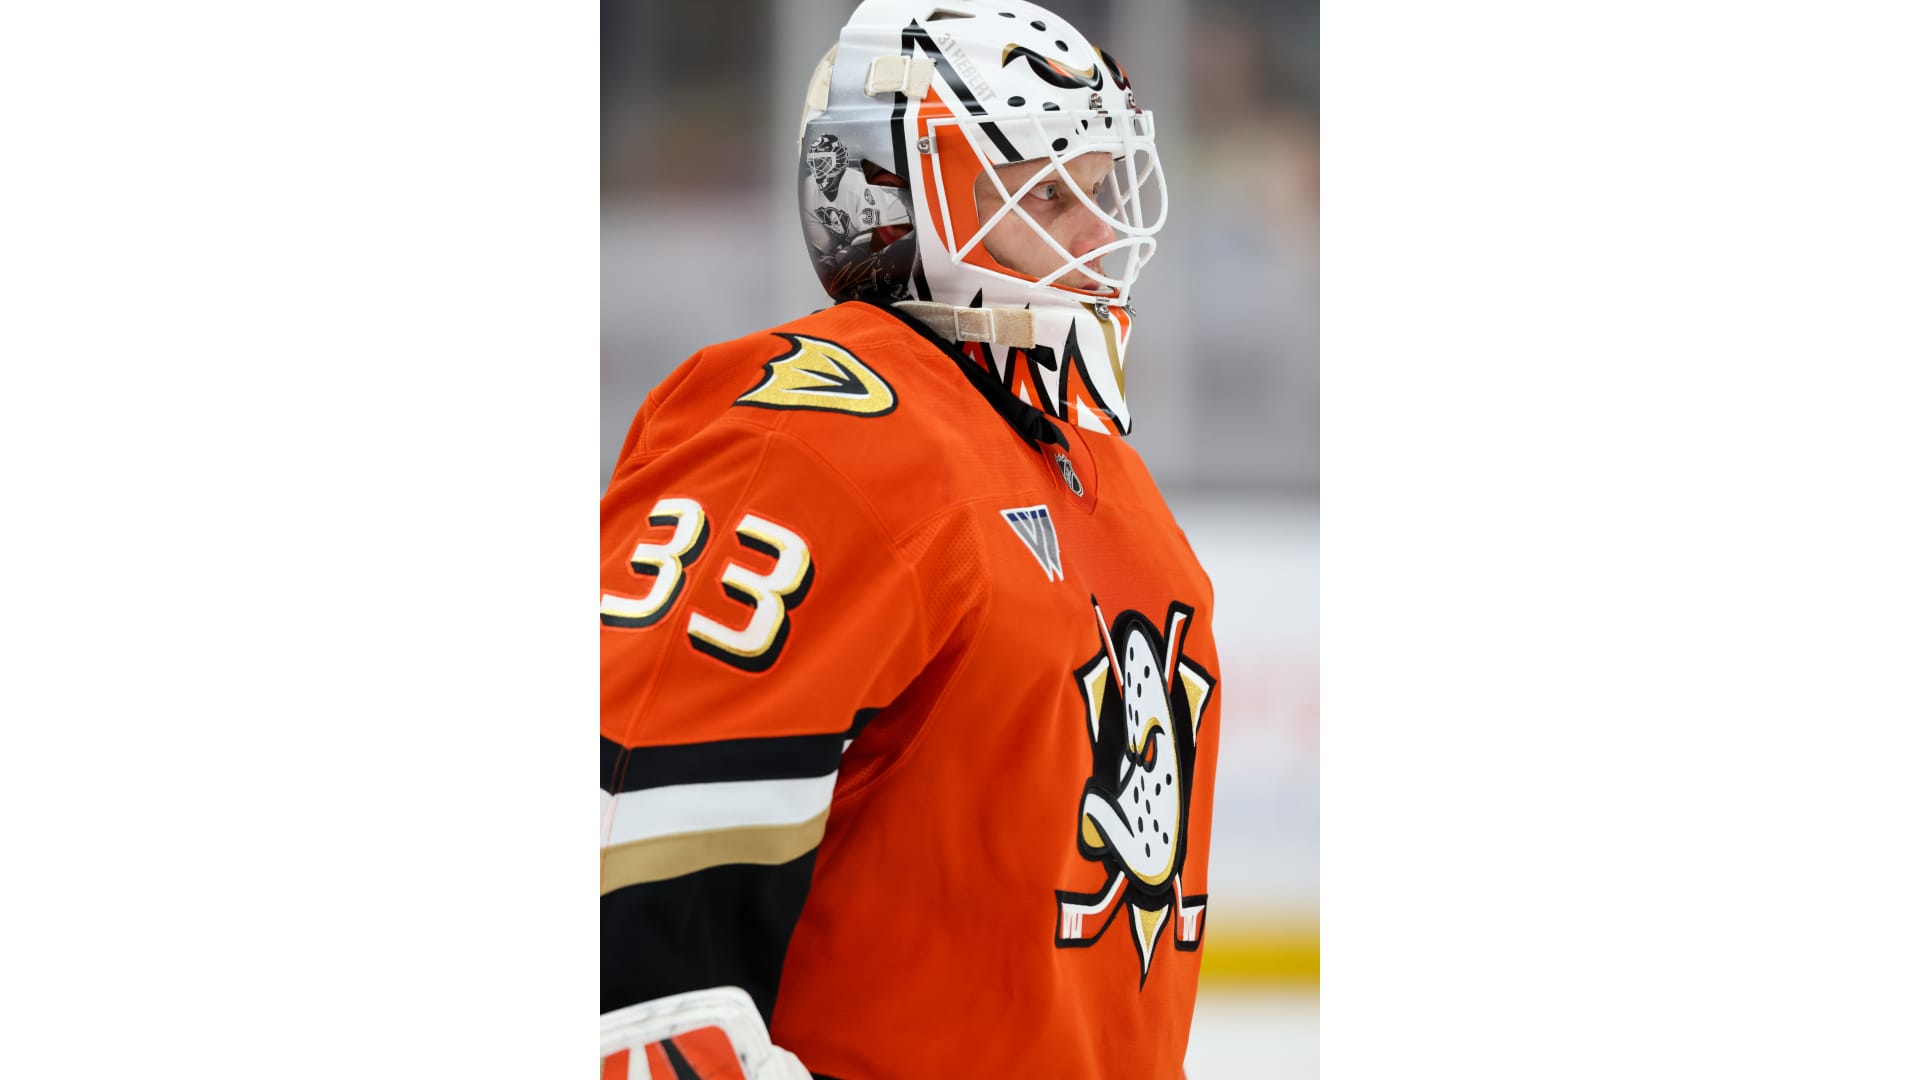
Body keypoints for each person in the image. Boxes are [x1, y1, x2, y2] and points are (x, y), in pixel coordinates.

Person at [600, 1, 1221, 1075]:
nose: (1096, 232)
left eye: (1102, 184)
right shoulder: (811, 435)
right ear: (893, 197)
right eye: (1041, 190)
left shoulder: (1097, 466)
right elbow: (627, 902)